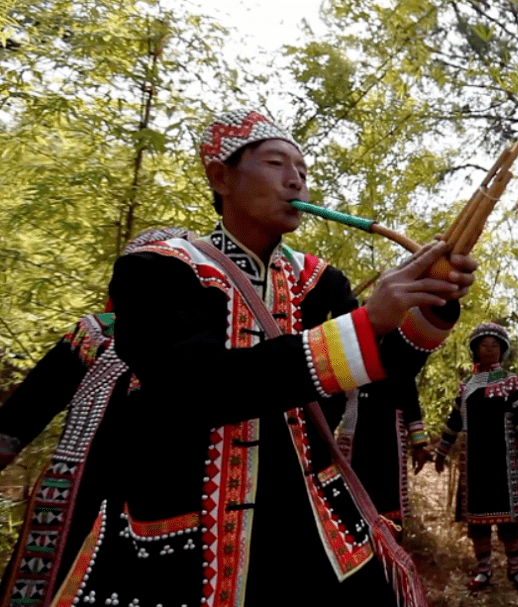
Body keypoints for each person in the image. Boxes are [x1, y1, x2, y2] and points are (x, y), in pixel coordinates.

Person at [51, 109, 476, 607]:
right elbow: (199, 386)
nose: (295, 178)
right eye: (276, 163)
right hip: (183, 533)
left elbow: (385, 373)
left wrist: (431, 306)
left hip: (311, 524)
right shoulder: (156, 271)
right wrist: (368, 322)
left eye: (302, 169)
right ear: (220, 177)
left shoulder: (322, 281)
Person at [0, 228, 190, 607]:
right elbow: (32, 404)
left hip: (158, 497)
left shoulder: (201, 343)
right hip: (76, 492)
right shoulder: (97, 333)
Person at [433, 322, 518, 592]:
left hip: (505, 462)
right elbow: (454, 420)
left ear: (502, 350)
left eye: (495, 345)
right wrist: (442, 451)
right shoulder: (466, 385)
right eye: (484, 345)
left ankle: (516, 570)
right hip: (474, 463)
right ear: (475, 350)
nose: (489, 349)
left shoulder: (512, 382)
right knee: (478, 521)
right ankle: (484, 570)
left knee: (509, 521)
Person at [344, 375, 430, 543]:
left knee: (389, 497)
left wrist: (419, 444)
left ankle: (392, 557)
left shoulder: (400, 364)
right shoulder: (350, 357)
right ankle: (361, 556)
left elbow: (410, 401)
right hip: (357, 437)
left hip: (389, 441)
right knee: (354, 496)